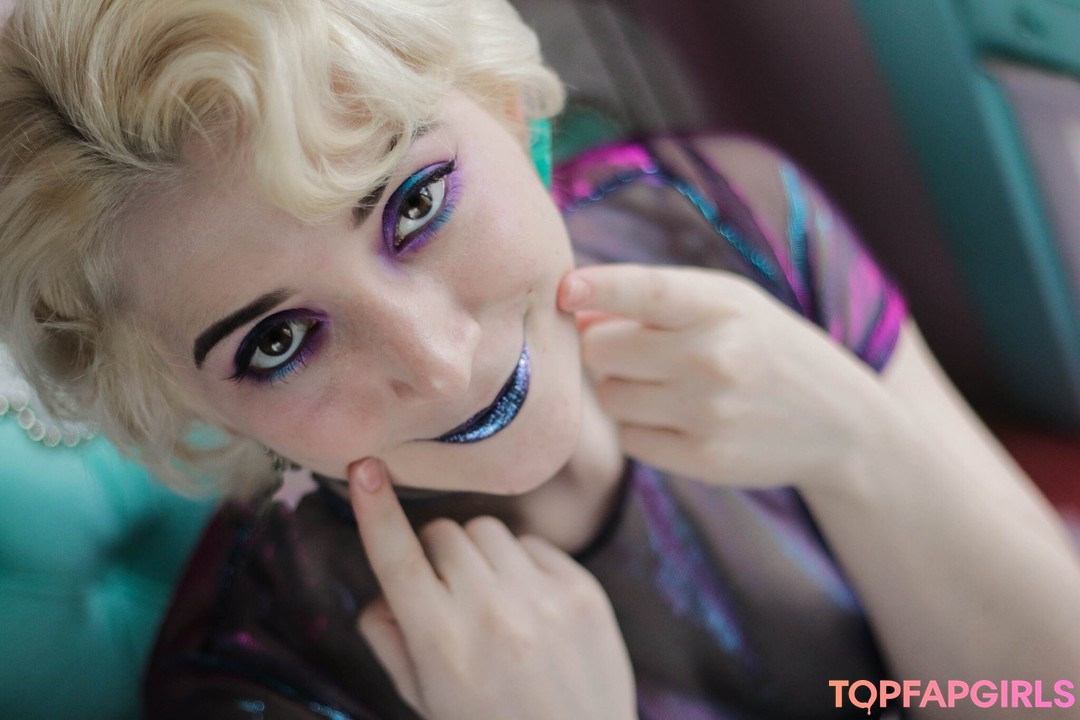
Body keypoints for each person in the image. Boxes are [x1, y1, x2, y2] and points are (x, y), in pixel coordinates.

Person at [0, 0, 1077, 718]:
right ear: (182, 402)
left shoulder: (725, 217)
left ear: (507, 110)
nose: (438, 362)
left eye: (416, 204)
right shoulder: (260, 685)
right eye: (276, 342)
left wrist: (864, 445)